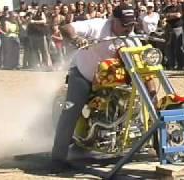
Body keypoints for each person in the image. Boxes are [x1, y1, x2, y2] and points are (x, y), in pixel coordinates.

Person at [51, 3, 146, 170]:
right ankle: (57, 158)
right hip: (84, 74)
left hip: (111, 79)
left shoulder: (132, 39)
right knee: (71, 110)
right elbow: (66, 28)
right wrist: (76, 38)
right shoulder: (97, 26)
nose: (128, 28)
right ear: (113, 19)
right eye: (124, 24)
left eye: (131, 24)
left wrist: (151, 91)